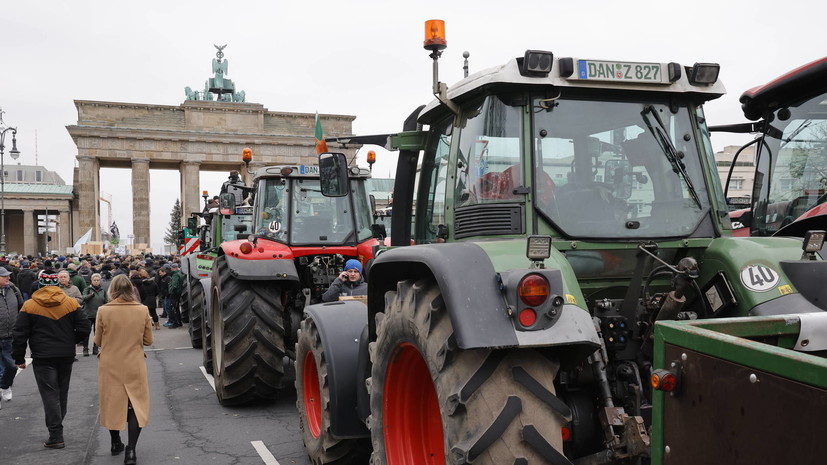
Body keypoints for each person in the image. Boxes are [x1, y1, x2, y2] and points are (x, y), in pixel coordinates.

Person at [12, 271, 91, 449]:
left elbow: (19, 334)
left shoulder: (29, 305)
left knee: (49, 394)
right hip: (65, 354)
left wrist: (18, 358)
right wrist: (72, 340)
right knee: (62, 393)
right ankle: (57, 428)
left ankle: (56, 434)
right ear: (57, 284)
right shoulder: (70, 303)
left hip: (42, 355)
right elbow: (85, 327)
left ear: (39, 284)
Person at [95, 274, 153, 464]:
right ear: (131, 289)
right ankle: (131, 450)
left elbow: (98, 340)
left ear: (111, 290)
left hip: (110, 363)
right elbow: (148, 340)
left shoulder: (103, 310)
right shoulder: (142, 310)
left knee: (113, 402)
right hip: (134, 364)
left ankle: (114, 442)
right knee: (135, 405)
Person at [0, 267, 24, 409]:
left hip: (10, 336)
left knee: (11, 366)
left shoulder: (14, 290)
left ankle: (5, 385)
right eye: (4, 277)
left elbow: (22, 308)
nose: (8, 278)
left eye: (8, 276)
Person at [81, 273, 107, 356]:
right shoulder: (87, 289)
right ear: (91, 281)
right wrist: (90, 295)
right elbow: (83, 298)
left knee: (98, 332)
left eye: (97, 280)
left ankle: (95, 348)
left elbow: (106, 301)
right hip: (88, 314)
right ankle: (85, 349)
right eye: (94, 280)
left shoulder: (103, 290)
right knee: (87, 332)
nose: (96, 282)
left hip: (99, 315)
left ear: (100, 281)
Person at [166, 263, 184, 328]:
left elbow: (174, 285)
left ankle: (176, 322)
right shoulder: (180, 274)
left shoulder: (175, 275)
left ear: (174, 268)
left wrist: (170, 291)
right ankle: (178, 322)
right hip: (178, 293)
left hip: (174, 294)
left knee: (174, 308)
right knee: (176, 308)